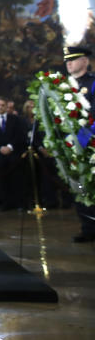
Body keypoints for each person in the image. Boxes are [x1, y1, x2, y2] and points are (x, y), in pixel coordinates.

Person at [63, 45, 95, 241]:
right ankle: (87, 227)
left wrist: (85, 136)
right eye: (67, 60)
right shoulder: (62, 86)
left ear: (85, 60)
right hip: (70, 146)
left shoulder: (92, 83)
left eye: (73, 59)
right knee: (79, 187)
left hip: (91, 143)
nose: (69, 63)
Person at [0, 95, 27, 210]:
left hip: (13, 154)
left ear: (6, 106)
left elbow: (19, 135)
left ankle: (19, 203)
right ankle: (5, 203)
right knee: (2, 181)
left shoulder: (15, 119)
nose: (0, 107)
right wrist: (0, 148)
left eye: (3, 105)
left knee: (16, 179)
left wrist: (10, 146)